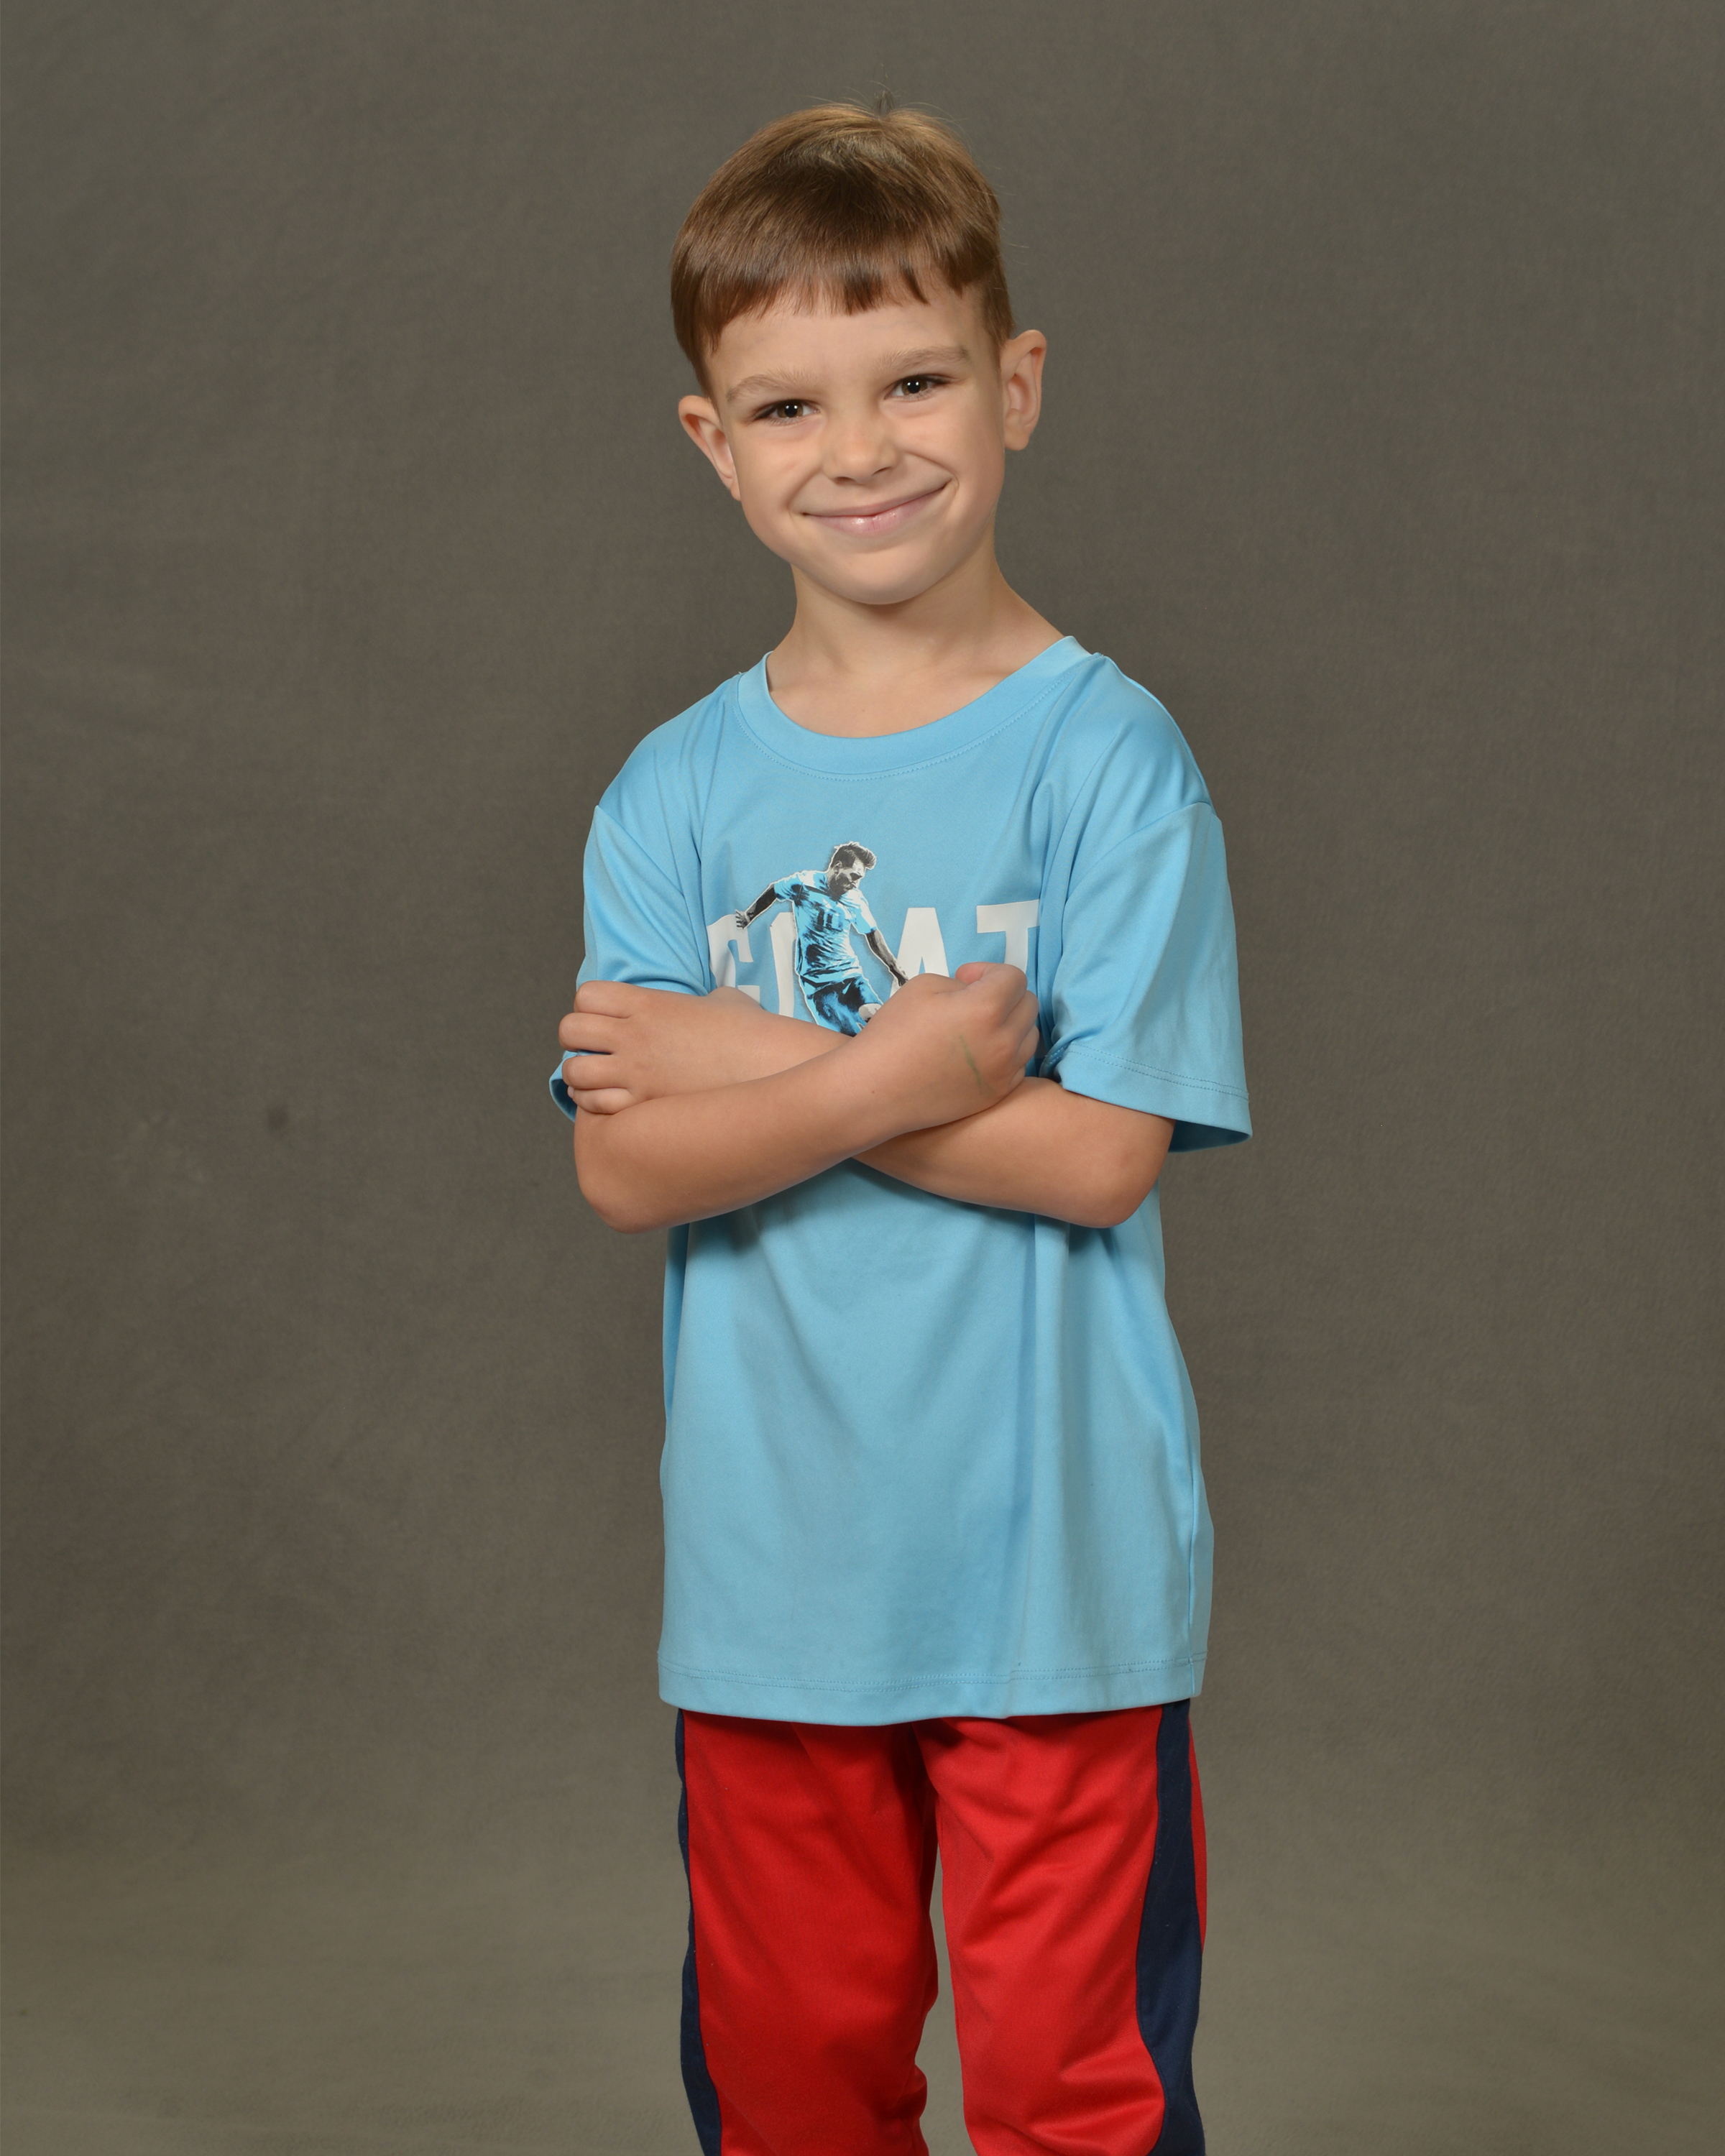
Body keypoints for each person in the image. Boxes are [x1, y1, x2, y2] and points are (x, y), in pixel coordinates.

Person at [551, 101, 1249, 2156]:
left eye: (915, 381)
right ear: (714, 442)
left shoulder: (1108, 760)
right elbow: (621, 1163)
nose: (858, 450)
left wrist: (747, 1065)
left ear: (1013, 385)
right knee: (791, 2091)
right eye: (790, 405)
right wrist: (904, 1070)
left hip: (1062, 1582)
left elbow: (1098, 1157)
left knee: (1071, 2096)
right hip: (773, 1583)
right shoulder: (669, 797)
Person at [734, 841, 910, 1033]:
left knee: (886, 1028)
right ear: (838, 867)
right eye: (854, 876)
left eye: (860, 879)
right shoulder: (804, 883)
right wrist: (749, 915)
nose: (855, 884)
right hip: (818, 985)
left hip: (851, 978)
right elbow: (775, 890)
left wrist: (896, 969)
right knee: (847, 1040)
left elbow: (872, 934)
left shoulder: (855, 899)